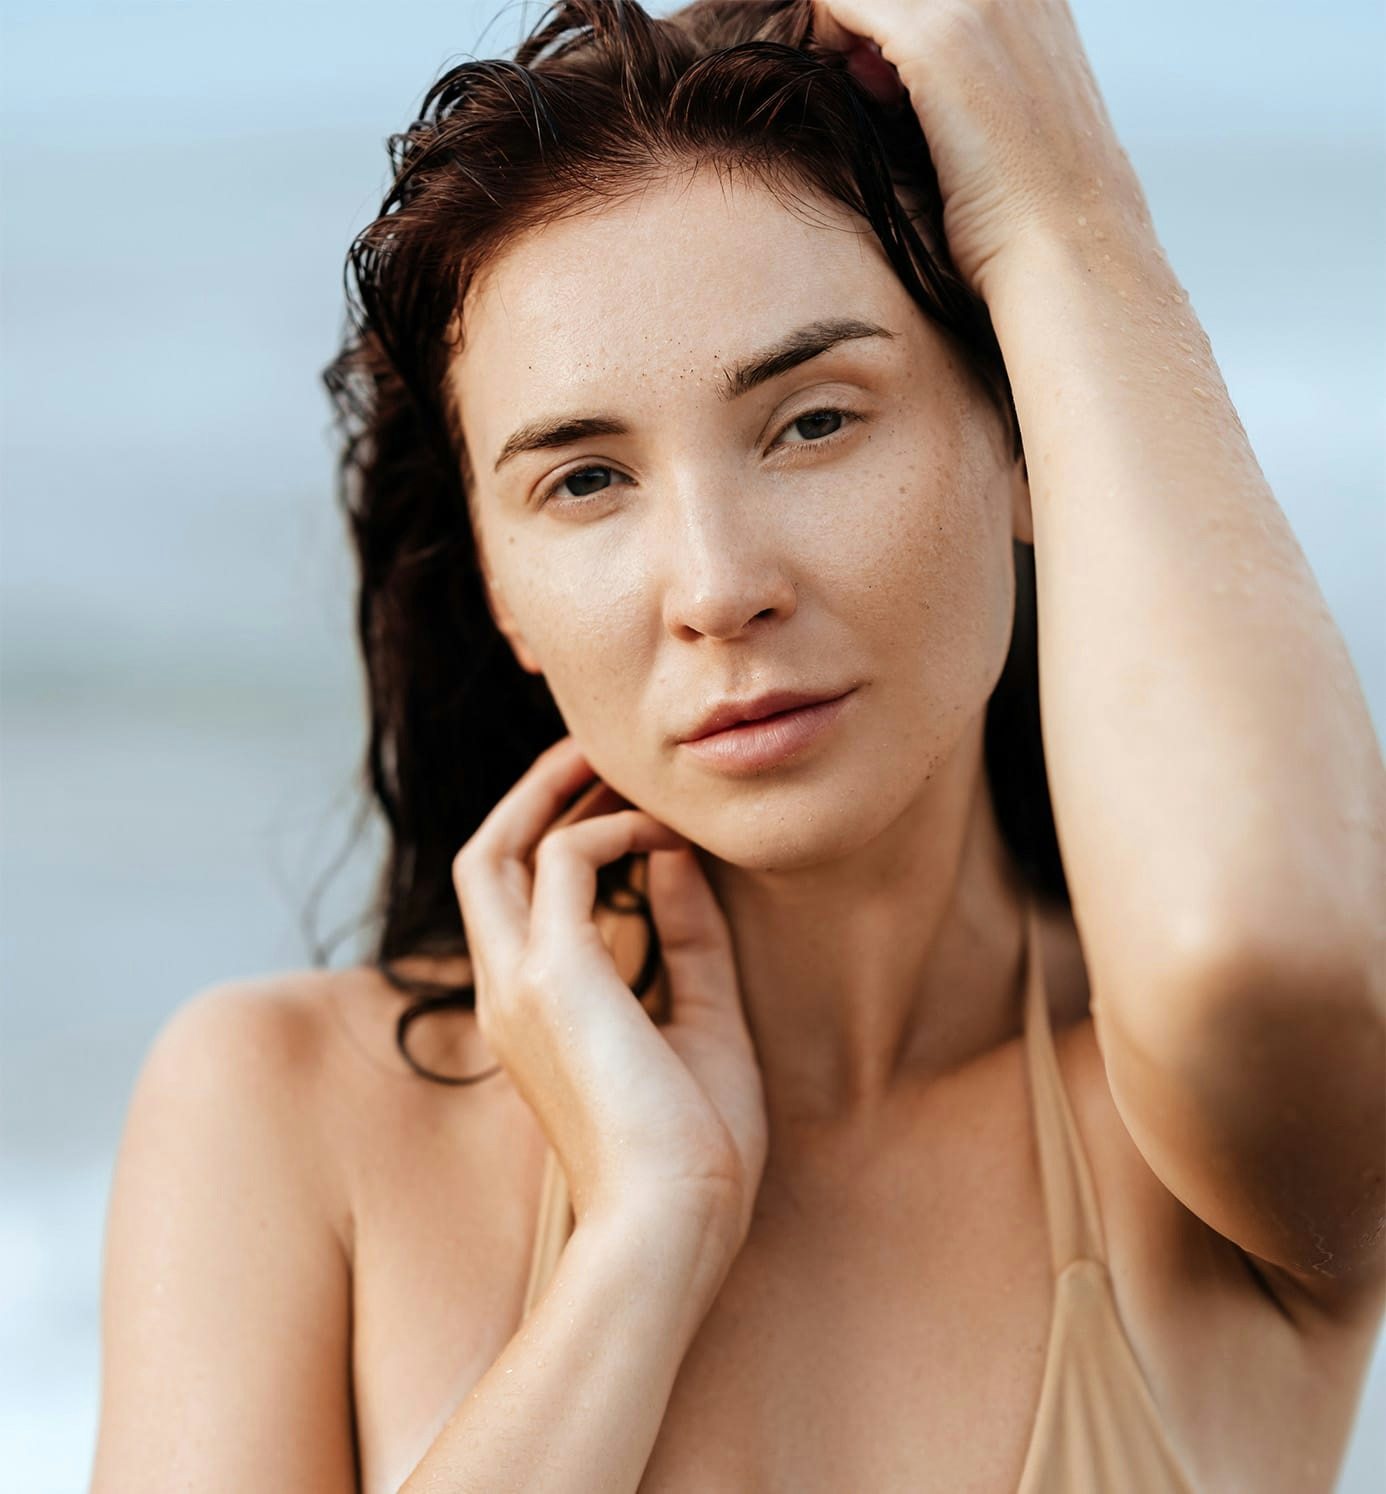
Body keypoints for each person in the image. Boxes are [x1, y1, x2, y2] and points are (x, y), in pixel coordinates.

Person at [90, 1, 1385, 1490]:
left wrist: (1065, 210)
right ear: (499, 589)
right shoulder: (283, 1118)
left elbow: (1259, 948)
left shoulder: (1196, 1150)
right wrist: (646, 1237)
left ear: (1023, 439)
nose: (716, 585)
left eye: (812, 423)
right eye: (584, 479)